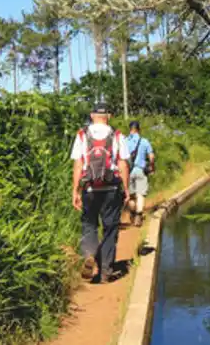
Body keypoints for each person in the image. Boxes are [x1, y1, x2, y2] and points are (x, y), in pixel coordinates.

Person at [70, 102, 130, 284]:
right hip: (111, 188)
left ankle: (89, 254)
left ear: (91, 115)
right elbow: (123, 164)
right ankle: (105, 271)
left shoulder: (82, 135)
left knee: (89, 224)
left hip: (89, 188)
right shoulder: (117, 135)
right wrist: (126, 189)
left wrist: (75, 190)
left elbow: (78, 164)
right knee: (110, 228)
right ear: (109, 116)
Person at [124, 120, 155, 227]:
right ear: (139, 129)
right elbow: (151, 156)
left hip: (127, 172)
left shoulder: (124, 141)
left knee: (131, 196)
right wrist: (151, 166)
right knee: (140, 194)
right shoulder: (144, 141)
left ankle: (133, 213)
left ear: (130, 129)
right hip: (141, 171)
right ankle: (138, 215)